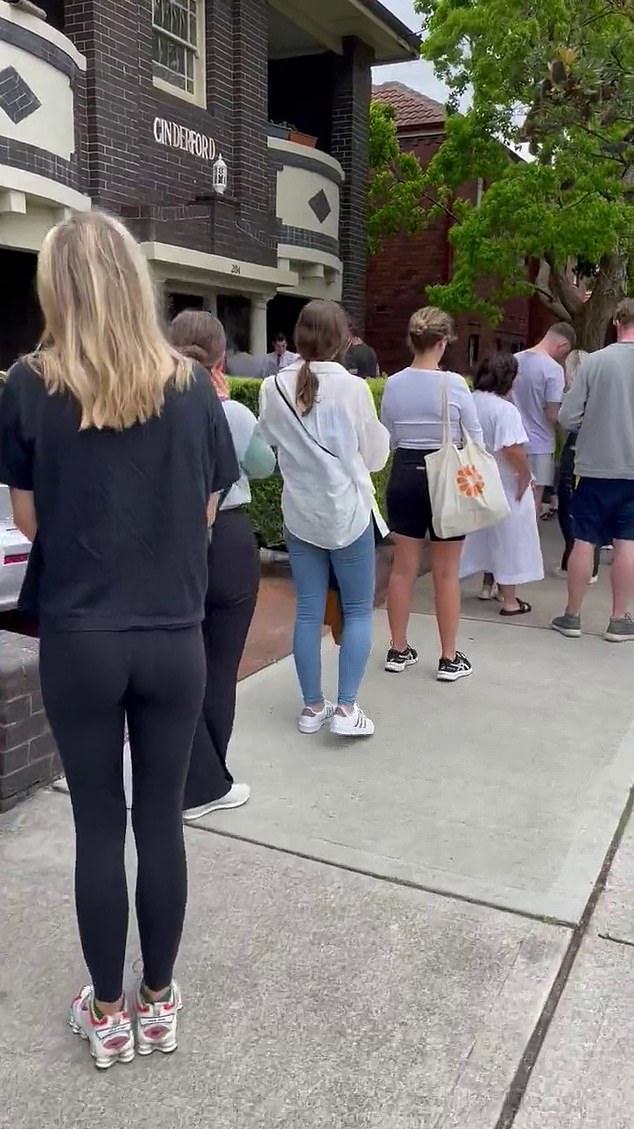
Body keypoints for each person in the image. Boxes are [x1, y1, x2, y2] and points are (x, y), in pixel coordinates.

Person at [0, 212, 239, 1069]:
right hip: (172, 636)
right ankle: (161, 1001)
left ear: (56, 287)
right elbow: (206, 514)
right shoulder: (190, 387)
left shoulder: (28, 384)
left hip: (80, 635)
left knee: (99, 828)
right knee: (163, 825)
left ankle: (107, 1013)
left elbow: (28, 518)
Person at [258, 299, 390, 736]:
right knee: (357, 609)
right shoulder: (353, 389)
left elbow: (268, 446)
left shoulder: (271, 387)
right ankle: (347, 708)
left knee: (309, 612)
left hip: (301, 512)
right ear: (342, 339)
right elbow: (373, 457)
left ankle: (313, 706)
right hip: (347, 511)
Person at [169, 310, 276, 821]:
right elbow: (262, 466)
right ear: (221, 360)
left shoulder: (152, 401)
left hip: (171, 542)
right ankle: (207, 782)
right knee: (220, 666)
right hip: (228, 537)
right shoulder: (228, 412)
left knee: (178, 662)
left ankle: (177, 771)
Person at [380, 307, 483, 682]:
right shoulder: (454, 385)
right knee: (445, 573)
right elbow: (475, 436)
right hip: (445, 477)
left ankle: (397, 648)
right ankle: (449, 656)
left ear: (413, 340)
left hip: (406, 473)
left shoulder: (393, 384)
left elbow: (387, 437)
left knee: (403, 569)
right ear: (442, 342)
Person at [553, 299, 634, 642]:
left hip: (594, 466)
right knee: (627, 541)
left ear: (617, 321)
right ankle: (619, 618)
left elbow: (567, 417)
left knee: (584, 539)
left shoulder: (595, 363)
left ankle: (572, 615)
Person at [460, 354, 544, 613]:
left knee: (473, 537)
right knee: (509, 540)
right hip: (504, 482)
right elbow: (512, 449)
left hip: (472, 480)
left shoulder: (469, 402)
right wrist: (526, 476)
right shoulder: (505, 411)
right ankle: (509, 600)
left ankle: (469, 587)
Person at [511, 324, 576, 514]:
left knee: (511, 494)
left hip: (512, 440)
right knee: (533, 499)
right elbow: (552, 413)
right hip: (540, 443)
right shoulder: (553, 370)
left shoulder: (514, 360)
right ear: (562, 345)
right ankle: (528, 542)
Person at [555, 349, 600, 583]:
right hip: (600, 454)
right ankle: (586, 565)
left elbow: (566, 419)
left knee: (571, 507)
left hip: (577, 449)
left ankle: (579, 564)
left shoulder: (579, 392)